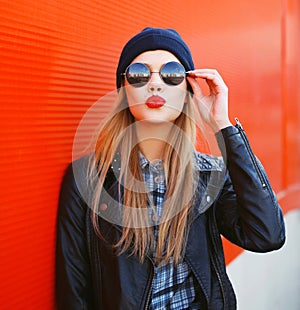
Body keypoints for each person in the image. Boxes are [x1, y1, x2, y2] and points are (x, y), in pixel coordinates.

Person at [56, 27, 286, 309]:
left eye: (172, 74)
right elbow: (74, 292)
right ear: (125, 90)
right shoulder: (89, 179)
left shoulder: (209, 176)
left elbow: (267, 235)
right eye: (140, 73)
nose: (155, 85)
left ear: (187, 91)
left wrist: (223, 126)